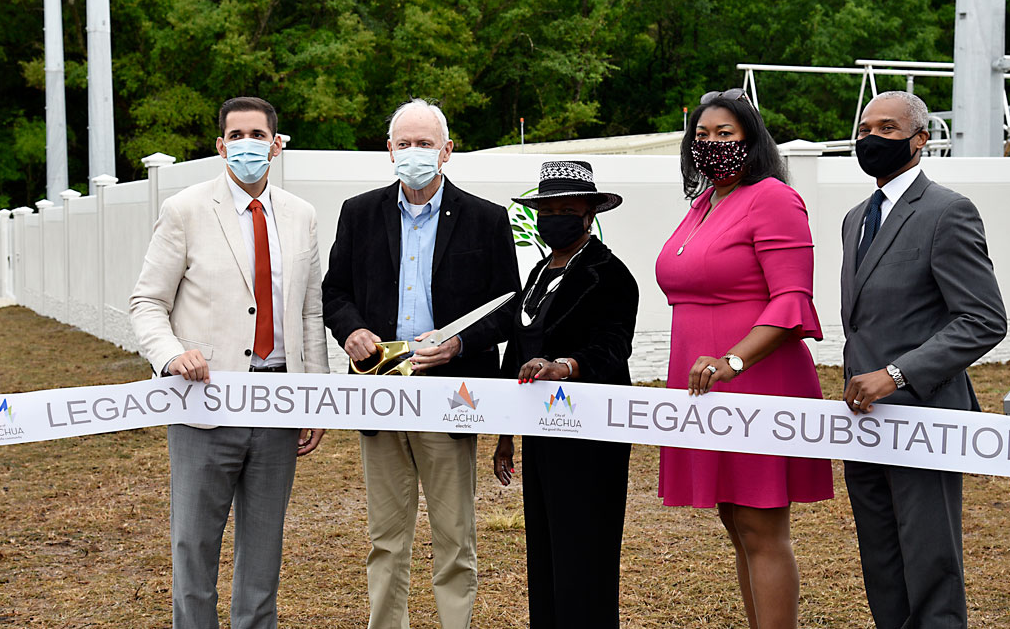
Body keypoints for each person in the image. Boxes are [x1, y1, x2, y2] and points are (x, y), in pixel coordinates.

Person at [129, 96, 329, 629]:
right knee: (194, 545)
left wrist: (315, 399)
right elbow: (147, 302)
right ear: (220, 146)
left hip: (278, 405)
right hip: (204, 405)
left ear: (276, 145)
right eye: (235, 135)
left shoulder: (301, 216)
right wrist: (172, 355)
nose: (247, 144)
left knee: (263, 551)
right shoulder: (185, 209)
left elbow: (311, 312)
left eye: (257, 135)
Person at [322, 98, 520, 629]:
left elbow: (509, 307)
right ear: (389, 151)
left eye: (425, 143)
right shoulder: (359, 213)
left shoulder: (486, 218)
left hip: (451, 394)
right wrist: (352, 330)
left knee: (455, 537)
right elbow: (335, 291)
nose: (415, 153)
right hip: (381, 388)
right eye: (404, 143)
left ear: (447, 151)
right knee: (386, 537)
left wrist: (459, 345)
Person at [655, 88, 833, 629]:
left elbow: (791, 300)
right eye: (701, 136)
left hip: (754, 377)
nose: (711, 145)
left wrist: (733, 361)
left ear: (751, 140)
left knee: (762, 528)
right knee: (735, 522)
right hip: (704, 381)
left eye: (724, 135)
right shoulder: (703, 203)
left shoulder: (773, 197)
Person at [840, 91, 1007, 629]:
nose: (871, 139)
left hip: (924, 414)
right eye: (865, 128)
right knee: (881, 560)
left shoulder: (947, 211)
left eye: (887, 129)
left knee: (929, 560)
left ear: (920, 140)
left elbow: (983, 319)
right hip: (862, 420)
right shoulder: (854, 219)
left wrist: (897, 375)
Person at [491, 161, 638, 629]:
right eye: (546, 209)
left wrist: (566, 367)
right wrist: (505, 434)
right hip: (540, 433)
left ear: (589, 215)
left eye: (566, 209)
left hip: (590, 433)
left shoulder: (610, 274)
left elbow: (613, 347)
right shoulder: (537, 272)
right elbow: (518, 349)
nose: (554, 217)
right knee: (548, 549)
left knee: (585, 552)